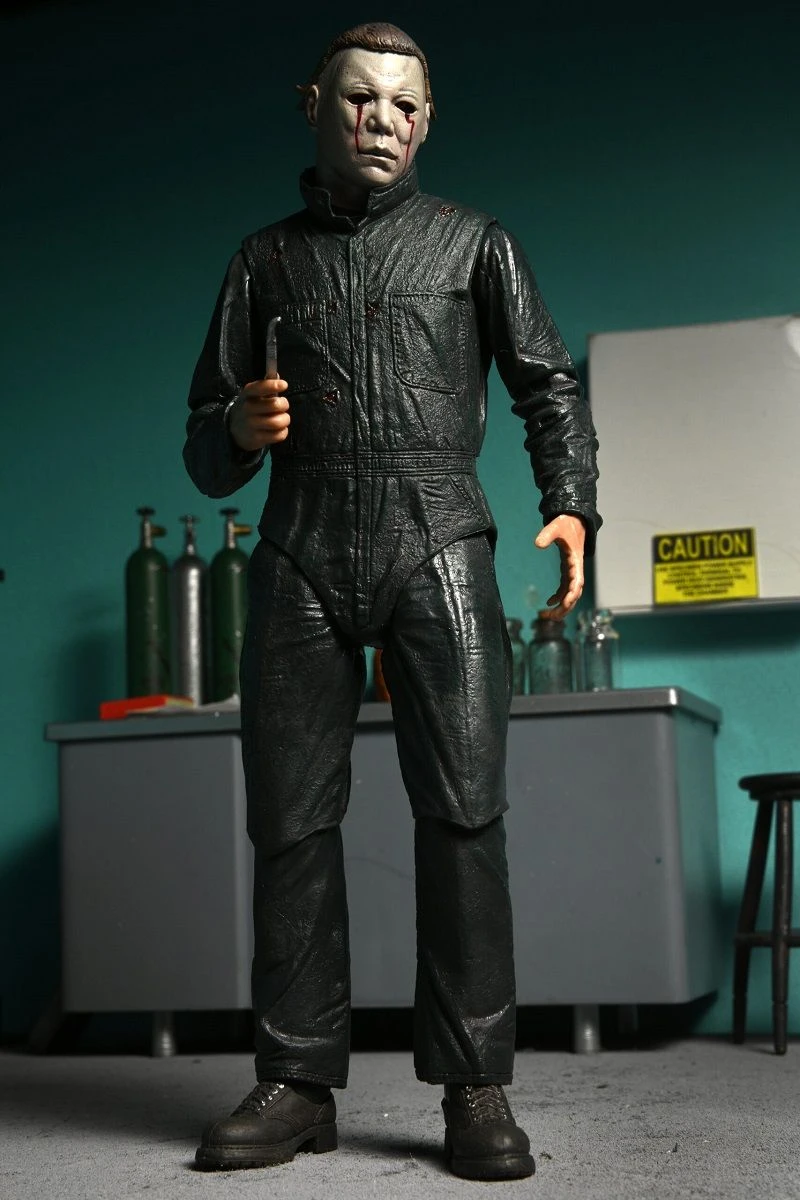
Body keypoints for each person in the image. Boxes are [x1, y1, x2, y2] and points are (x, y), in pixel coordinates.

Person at [184, 21, 600, 1182]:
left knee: (463, 814)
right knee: (289, 823)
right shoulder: (263, 261)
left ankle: (474, 1084)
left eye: (405, 106)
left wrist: (570, 501)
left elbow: (546, 385)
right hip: (301, 546)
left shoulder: (474, 243)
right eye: (359, 98)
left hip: (438, 539)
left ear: (426, 123)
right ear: (314, 104)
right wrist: (236, 429)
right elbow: (205, 444)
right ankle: (295, 1081)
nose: (383, 121)